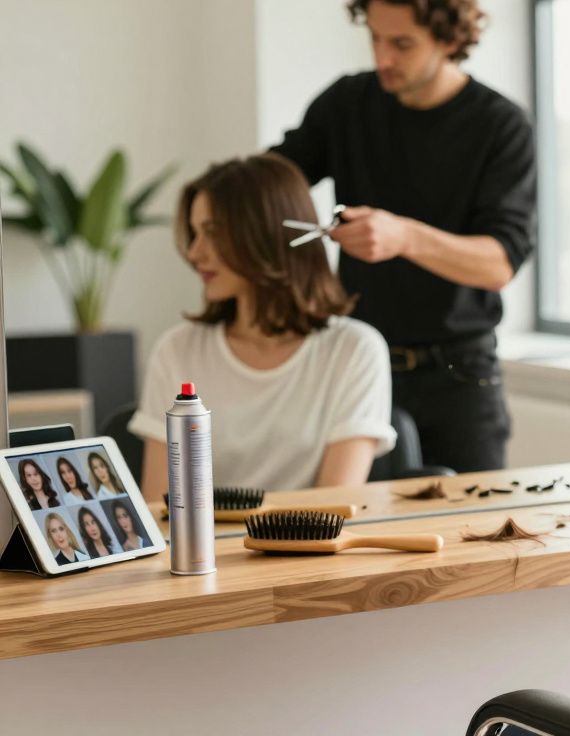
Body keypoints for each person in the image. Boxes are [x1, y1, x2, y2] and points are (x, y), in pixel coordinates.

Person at [270, 0, 536, 472]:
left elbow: (499, 263)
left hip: (460, 380)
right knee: (355, 531)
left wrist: (404, 237)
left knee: (474, 535)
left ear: (451, 39)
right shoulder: (347, 104)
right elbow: (271, 182)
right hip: (356, 368)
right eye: (374, 38)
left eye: (401, 44)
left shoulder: (500, 125)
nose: (382, 58)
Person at [128, 154, 396, 496]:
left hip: (310, 549)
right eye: (194, 234)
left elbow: (336, 506)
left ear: (265, 235)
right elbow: (161, 508)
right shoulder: (177, 351)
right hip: (202, 550)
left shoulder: (355, 350)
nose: (195, 253)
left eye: (212, 233)